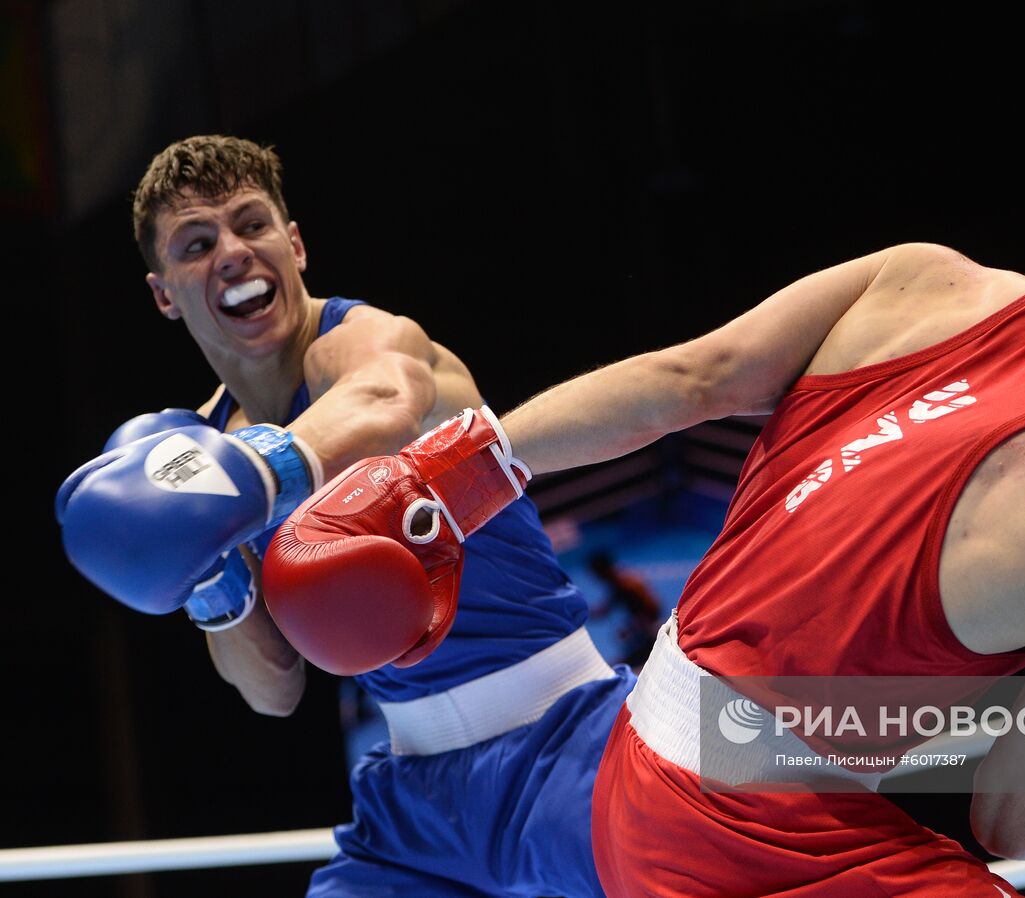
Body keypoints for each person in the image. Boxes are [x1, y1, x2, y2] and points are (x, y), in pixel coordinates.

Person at [265, 156, 1025, 896]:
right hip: (735, 839)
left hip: (637, 755)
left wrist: (439, 478)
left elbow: (681, 379)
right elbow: (1020, 822)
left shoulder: (921, 280)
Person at [56, 135, 636, 898]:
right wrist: (211, 578)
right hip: (412, 811)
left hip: (570, 738)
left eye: (252, 225)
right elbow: (273, 692)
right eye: (198, 244)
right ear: (164, 292)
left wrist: (258, 478)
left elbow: (387, 403)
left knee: (824, 762)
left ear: (294, 245)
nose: (232, 252)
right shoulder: (203, 457)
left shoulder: (366, 344)